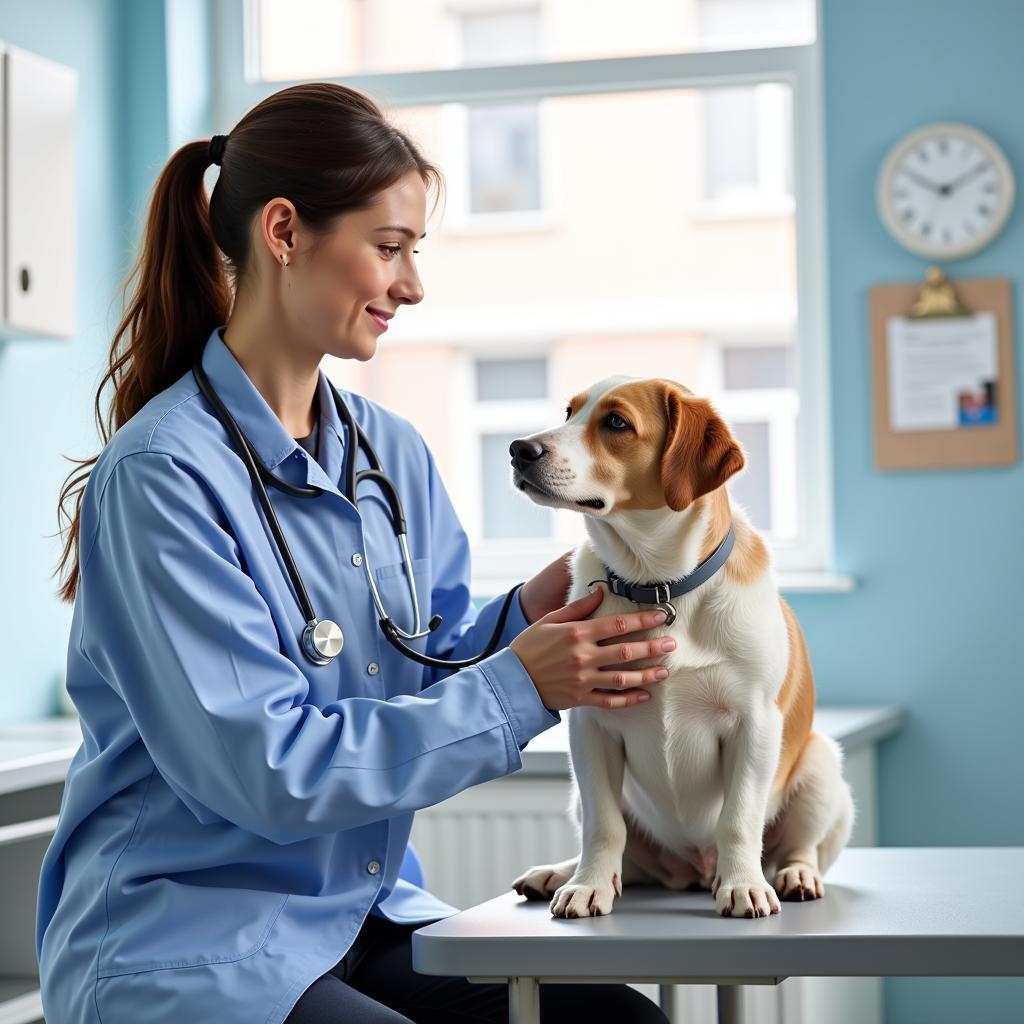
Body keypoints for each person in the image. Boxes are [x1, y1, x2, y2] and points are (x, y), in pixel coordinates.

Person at [41, 82, 674, 1024]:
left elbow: (423, 657)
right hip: (189, 943)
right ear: (285, 232)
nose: (411, 286)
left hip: (356, 912)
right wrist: (526, 684)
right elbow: (267, 770)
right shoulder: (162, 478)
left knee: (619, 1020)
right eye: (390, 249)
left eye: (414, 253)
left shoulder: (389, 453)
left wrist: (533, 619)